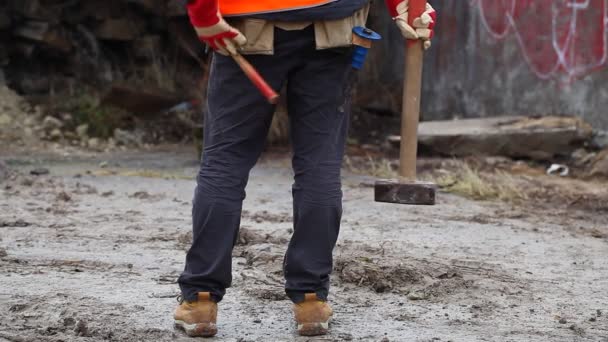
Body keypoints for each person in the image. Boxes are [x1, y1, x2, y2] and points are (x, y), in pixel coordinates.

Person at [174, 0, 436, 337]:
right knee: (320, 165)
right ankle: (310, 298)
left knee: (224, 164)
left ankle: (200, 301)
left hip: (246, 24)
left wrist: (204, 14)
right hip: (333, 27)